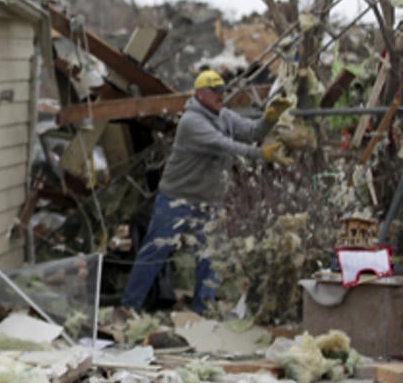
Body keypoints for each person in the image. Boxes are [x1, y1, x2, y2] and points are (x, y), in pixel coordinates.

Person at [121, 69, 293, 314]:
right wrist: (260, 154)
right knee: (155, 252)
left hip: (209, 201)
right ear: (200, 94)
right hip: (176, 198)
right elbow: (223, 144)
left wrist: (269, 119)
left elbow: (252, 132)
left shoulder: (225, 116)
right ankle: (130, 305)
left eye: (222, 90)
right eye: (215, 92)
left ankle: (204, 309)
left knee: (210, 257)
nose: (221, 96)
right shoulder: (191, 122)